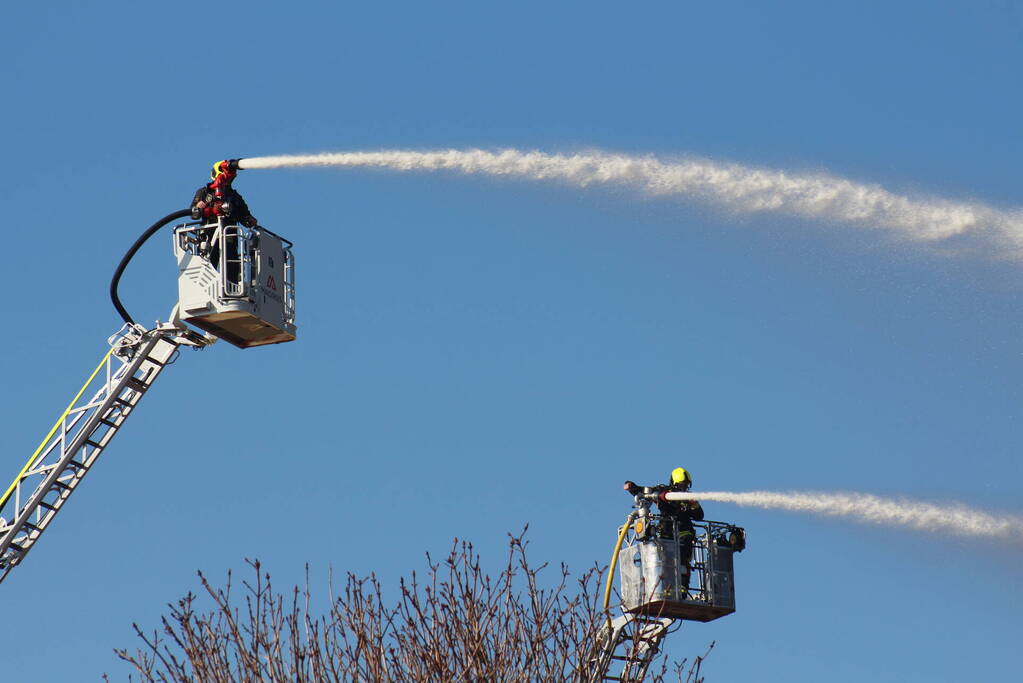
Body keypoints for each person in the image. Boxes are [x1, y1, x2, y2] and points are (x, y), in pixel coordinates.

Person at [623, 467, 704, 598]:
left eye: (686, 485)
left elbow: (699, 515)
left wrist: (695, 505)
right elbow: (644, 492)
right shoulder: (662, 491)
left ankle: (682, 589)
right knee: (666, 561)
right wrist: (632, 487)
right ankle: (667, 588)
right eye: (681, 485)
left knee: (683, 560)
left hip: (684, 532)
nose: (683, 488)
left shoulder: (689, 499)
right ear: (674, 483)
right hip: (667, 532)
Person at [190, 160, 257, 286]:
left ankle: (232, 289)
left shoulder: (235, 197)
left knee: (232, 266)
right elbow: (193, 213)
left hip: (229, 237)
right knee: (209, 265)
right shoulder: (205, 192)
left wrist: (249, 220)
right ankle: (207, 287)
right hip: (210, 235)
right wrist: (202, 208)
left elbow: (246, 217)